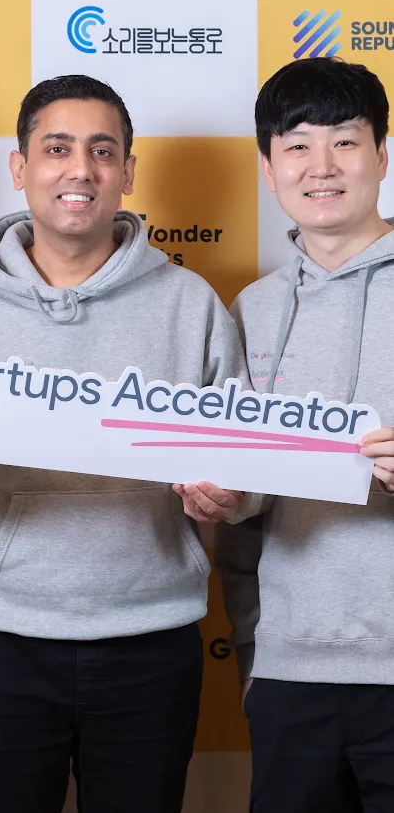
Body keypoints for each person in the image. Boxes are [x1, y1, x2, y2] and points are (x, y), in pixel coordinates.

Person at [0, 74, 250, 813]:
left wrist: (230, 495)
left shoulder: (191, 305)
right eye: (57, 149)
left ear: (128, 171)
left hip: (151, 640)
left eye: (102, 151)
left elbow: (242, 471)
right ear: (19, 167)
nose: (80, 169)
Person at [215, 56, 394, 813]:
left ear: (381, 153)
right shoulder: (252, 310)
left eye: (345, 141)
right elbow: (241, 517)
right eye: (297, 145)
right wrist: (253, 654)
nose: (321, 166)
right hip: (290, 675)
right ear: (269, 168)